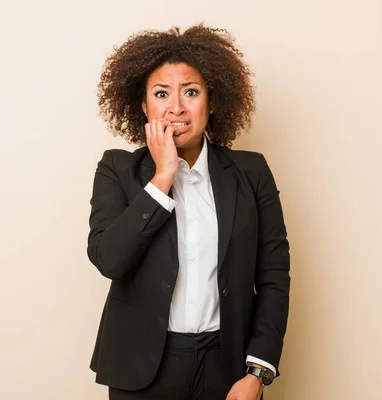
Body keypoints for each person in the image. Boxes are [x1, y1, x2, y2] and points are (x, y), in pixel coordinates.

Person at [87, 24, 291, 400]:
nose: (176, 107)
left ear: (212, 102)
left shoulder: (251, 172)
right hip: (143, 371)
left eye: (191, 92)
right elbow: (109, 259)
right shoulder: (117, 170)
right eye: (161, 93)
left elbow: (274, 276)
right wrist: (164, 176)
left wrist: (257, 373)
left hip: (227, 368)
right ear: (144, 106)